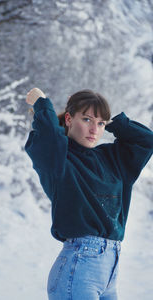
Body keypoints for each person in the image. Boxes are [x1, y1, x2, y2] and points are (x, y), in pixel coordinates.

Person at [24, 87, 153, 300]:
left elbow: (147, 141)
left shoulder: (112, 159)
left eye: (100, 123)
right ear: (68, 119)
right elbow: (48, 135)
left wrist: (116, 124)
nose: (94, 129)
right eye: (86, 120)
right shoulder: (59, 158)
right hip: (79, 268)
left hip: (110, 272)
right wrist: (42, 104)